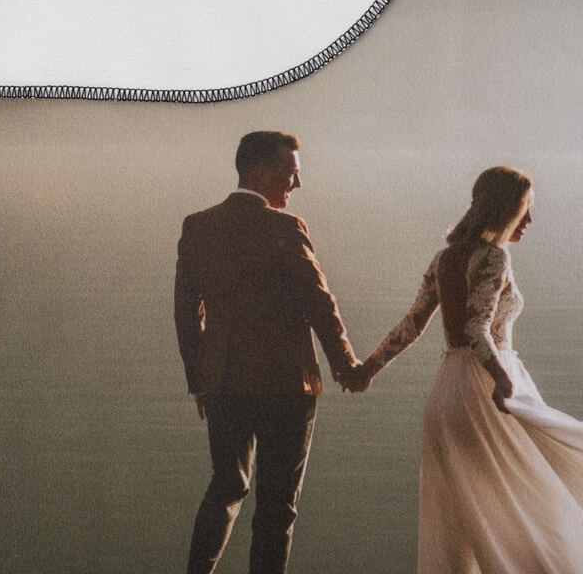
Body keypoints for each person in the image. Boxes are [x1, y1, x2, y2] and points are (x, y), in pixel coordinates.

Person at [348, 166, 583, 572]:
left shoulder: (444, 259)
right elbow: (477, 329)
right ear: (504, 209)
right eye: (524, 209)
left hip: (447, 393)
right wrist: (503, 380)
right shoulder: (494, 256)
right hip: (486, 389)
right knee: (523, 502)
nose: (529, 219)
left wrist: (367, 369)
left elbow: (411, 325)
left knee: (464, 514)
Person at [174, 130, 360, 574]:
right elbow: (320, 304)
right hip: (286, 384)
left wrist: (200, 379)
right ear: (261, 171)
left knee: (226, 486)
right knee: (277, 504)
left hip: (224, 381)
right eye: (291, 172)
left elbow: (186, 313)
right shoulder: (285, 227)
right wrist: (346, 366)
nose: (297, 184)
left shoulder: (197, 226)